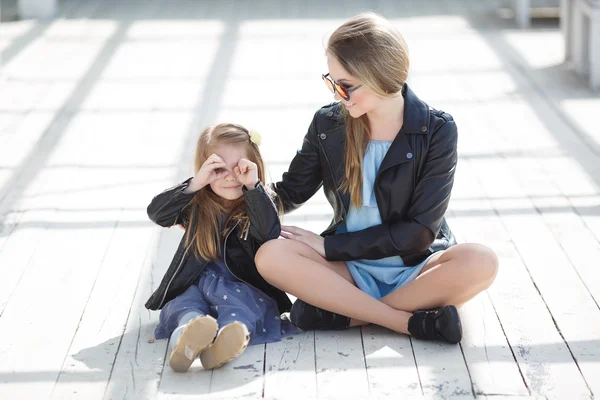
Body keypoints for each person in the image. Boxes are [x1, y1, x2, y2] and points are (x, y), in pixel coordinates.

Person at [255, 12, 499, 344]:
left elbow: (420, 232)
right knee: (270, 255)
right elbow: (289, 192)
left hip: (418, 267)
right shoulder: (329, 125)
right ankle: (405, 322)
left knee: (481, 261)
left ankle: (345, 313)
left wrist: (329, 246)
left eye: (346, 86)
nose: (338, 95)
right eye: (332, 82)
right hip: (350, 269)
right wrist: (245, 189)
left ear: (379, 75)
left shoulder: (437, 130)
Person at [145, 123, 296, 372]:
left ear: (253, 167)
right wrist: (195, 184)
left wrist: (253, 187)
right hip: (195, 281)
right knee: (185, 305)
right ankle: (186, 338)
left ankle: (225, 344)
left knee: (240, 309)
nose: (229, 176)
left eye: (239, 168)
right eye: (218, 168)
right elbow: (157, 213)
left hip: (241, 287)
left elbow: (269, 233)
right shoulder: (196, 203)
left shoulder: (260, 202)